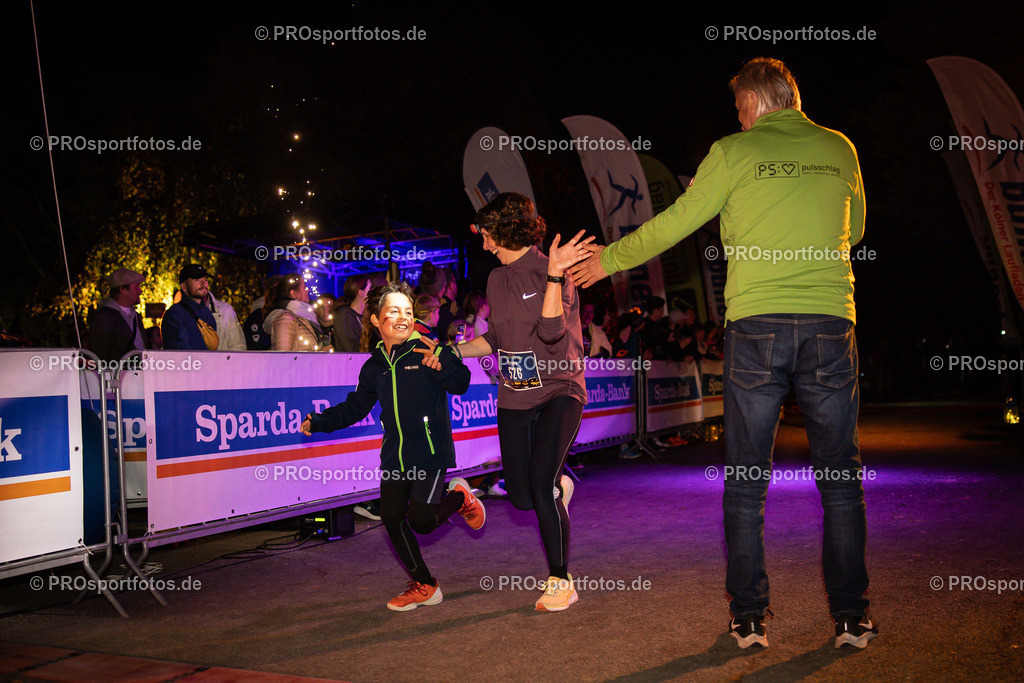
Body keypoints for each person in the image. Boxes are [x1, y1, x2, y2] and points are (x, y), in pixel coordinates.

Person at [570, 57, 874, 649]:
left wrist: (605, 260)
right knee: (840, 478)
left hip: (757, 324)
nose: (737, 120)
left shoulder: (734, 152)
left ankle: (750, 618)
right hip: (829, 321)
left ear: (757, 104)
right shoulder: (840, 147)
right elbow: (855, 229)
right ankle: (851, 617)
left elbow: (677, 221)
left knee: (745, 481)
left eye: (739, 109)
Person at [300, 281, 484, 611]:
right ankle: (426, 585)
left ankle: (459, 497)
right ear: (374, 320)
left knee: (423, 521)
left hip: (430, 451)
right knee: (390, 514)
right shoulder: (374, 366)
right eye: (393, 312)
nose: (402, 318)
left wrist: (442, 361)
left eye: (407, 312)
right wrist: (321, 420)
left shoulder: (426, 349)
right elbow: (356, 406)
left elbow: (461, 383)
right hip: (395, 454)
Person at [454, 192, 592, 612]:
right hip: (515, 394)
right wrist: (450, 351)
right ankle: (558, 484)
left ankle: (560, 580)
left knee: (540, 487)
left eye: (488, 234)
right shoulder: (496, 279)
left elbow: (551, 333)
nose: (484, 244)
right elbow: (495, 338)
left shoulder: (554, 271)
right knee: (519, 497)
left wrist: (553, 276)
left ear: (505, 231)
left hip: (559, 389)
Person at [88, 267, 147, 362]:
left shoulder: (135, 316)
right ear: (123, 289)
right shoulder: (105, 317)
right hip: (119, 375)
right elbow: (101, 355)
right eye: (137, 287)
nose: (140, 291)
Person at [161, 264, 218, 351]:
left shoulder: (207, 313)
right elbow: (180, 352)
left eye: (206, 279)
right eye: (197, 279)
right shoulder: (174, 314)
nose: (204, 283)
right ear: (183, 287)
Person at [263, 276, 325, 352]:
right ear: (293, 293)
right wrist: (320, 353)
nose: (308, 290)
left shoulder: (303, 317)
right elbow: (283, 356)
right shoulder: (285, 318)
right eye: (304, 287)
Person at [333, 275, 371, 353]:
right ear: (360, 292)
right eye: (370, 288)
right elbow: (352, 349)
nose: (372, 292)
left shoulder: (364, 317)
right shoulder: (344, 316)